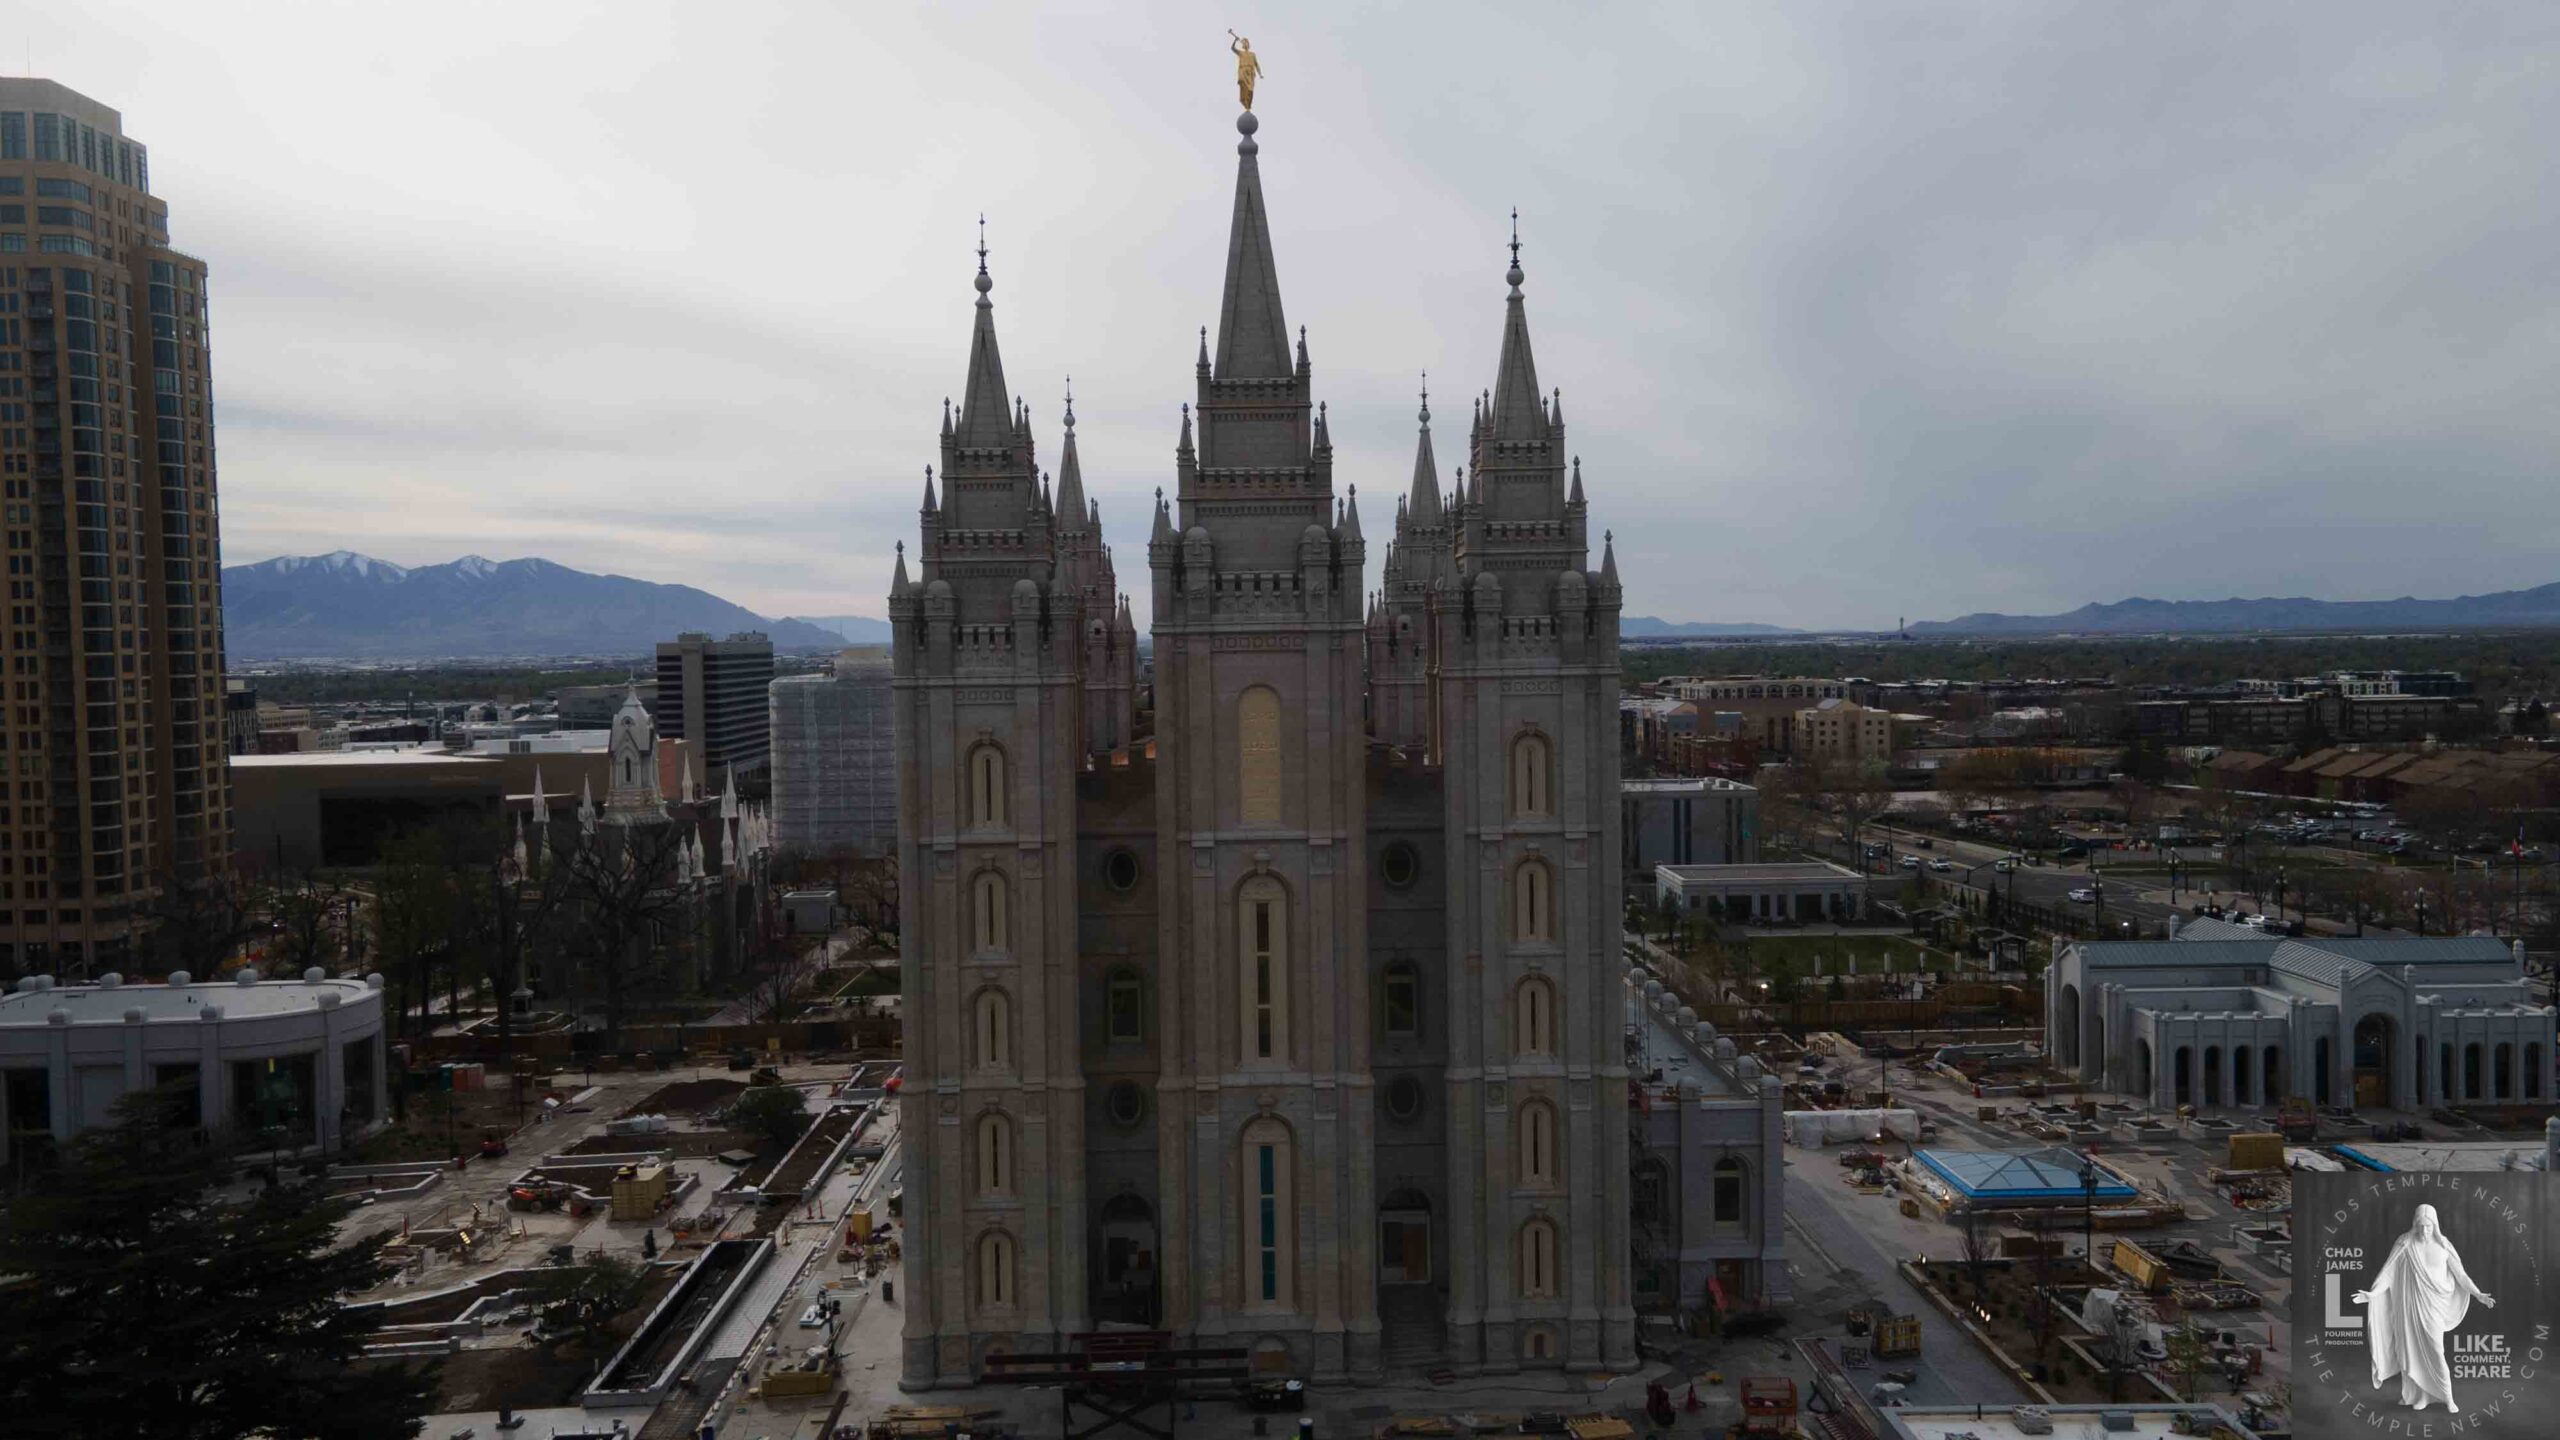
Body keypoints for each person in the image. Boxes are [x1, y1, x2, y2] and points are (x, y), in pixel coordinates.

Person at [2351, 1202, 2497, 1412]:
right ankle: (2420, 1396)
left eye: (2428, 1226)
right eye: (2420, 1226)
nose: (2424, 1230)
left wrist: (2478, 1294)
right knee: (2411, 1351)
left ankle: (2448, 1398)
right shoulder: (2405, 1243)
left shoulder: (2444, 1246)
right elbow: (2388, 1273)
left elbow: (2461, 1275)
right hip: (2410, 1308)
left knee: (2436, 1351)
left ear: (2435, 1226)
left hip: (2434, 1307)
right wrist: (2372, 1294)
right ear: (2415, 1224)